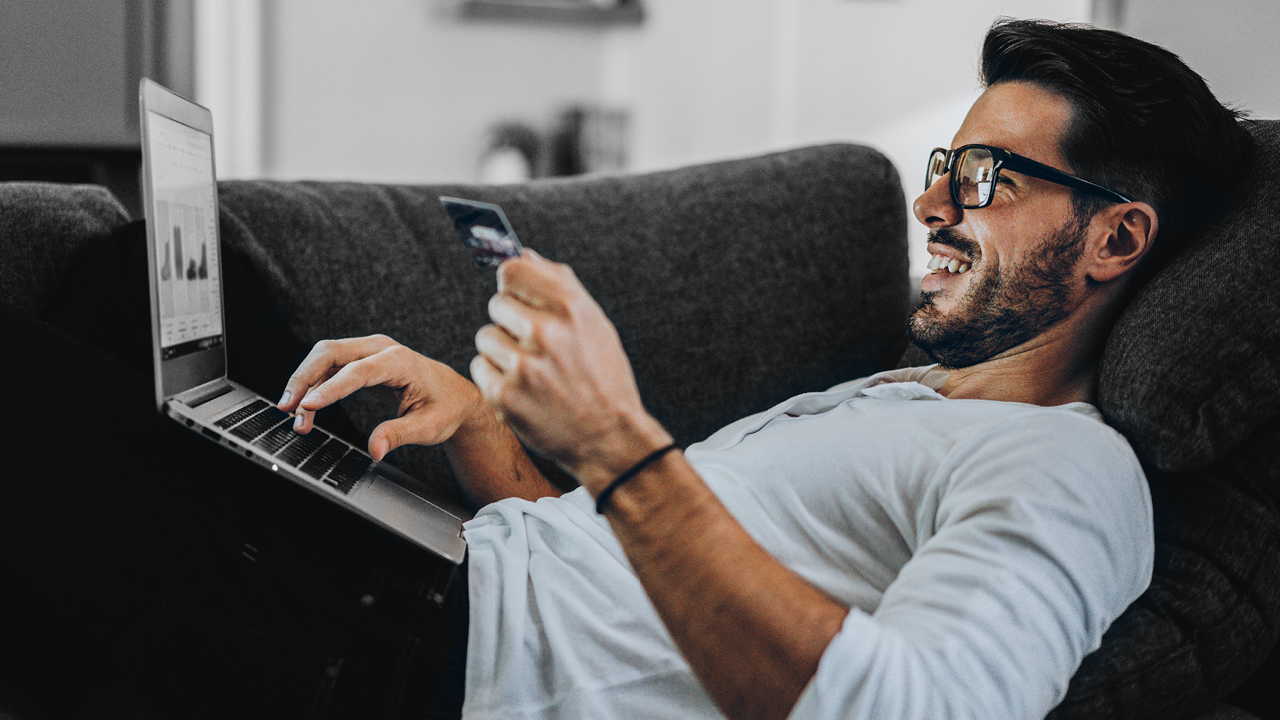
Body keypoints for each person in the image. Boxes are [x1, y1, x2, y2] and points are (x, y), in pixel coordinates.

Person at [271, 17, 1253, 720]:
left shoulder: (1065, 470)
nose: (931, 208)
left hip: (423, 655)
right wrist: (483, 426)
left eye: (982, 178)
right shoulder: (903, 397)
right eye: (939, 170)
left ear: (1115, 239)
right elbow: (602, 577)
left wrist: (617, 442)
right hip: (437, 582)